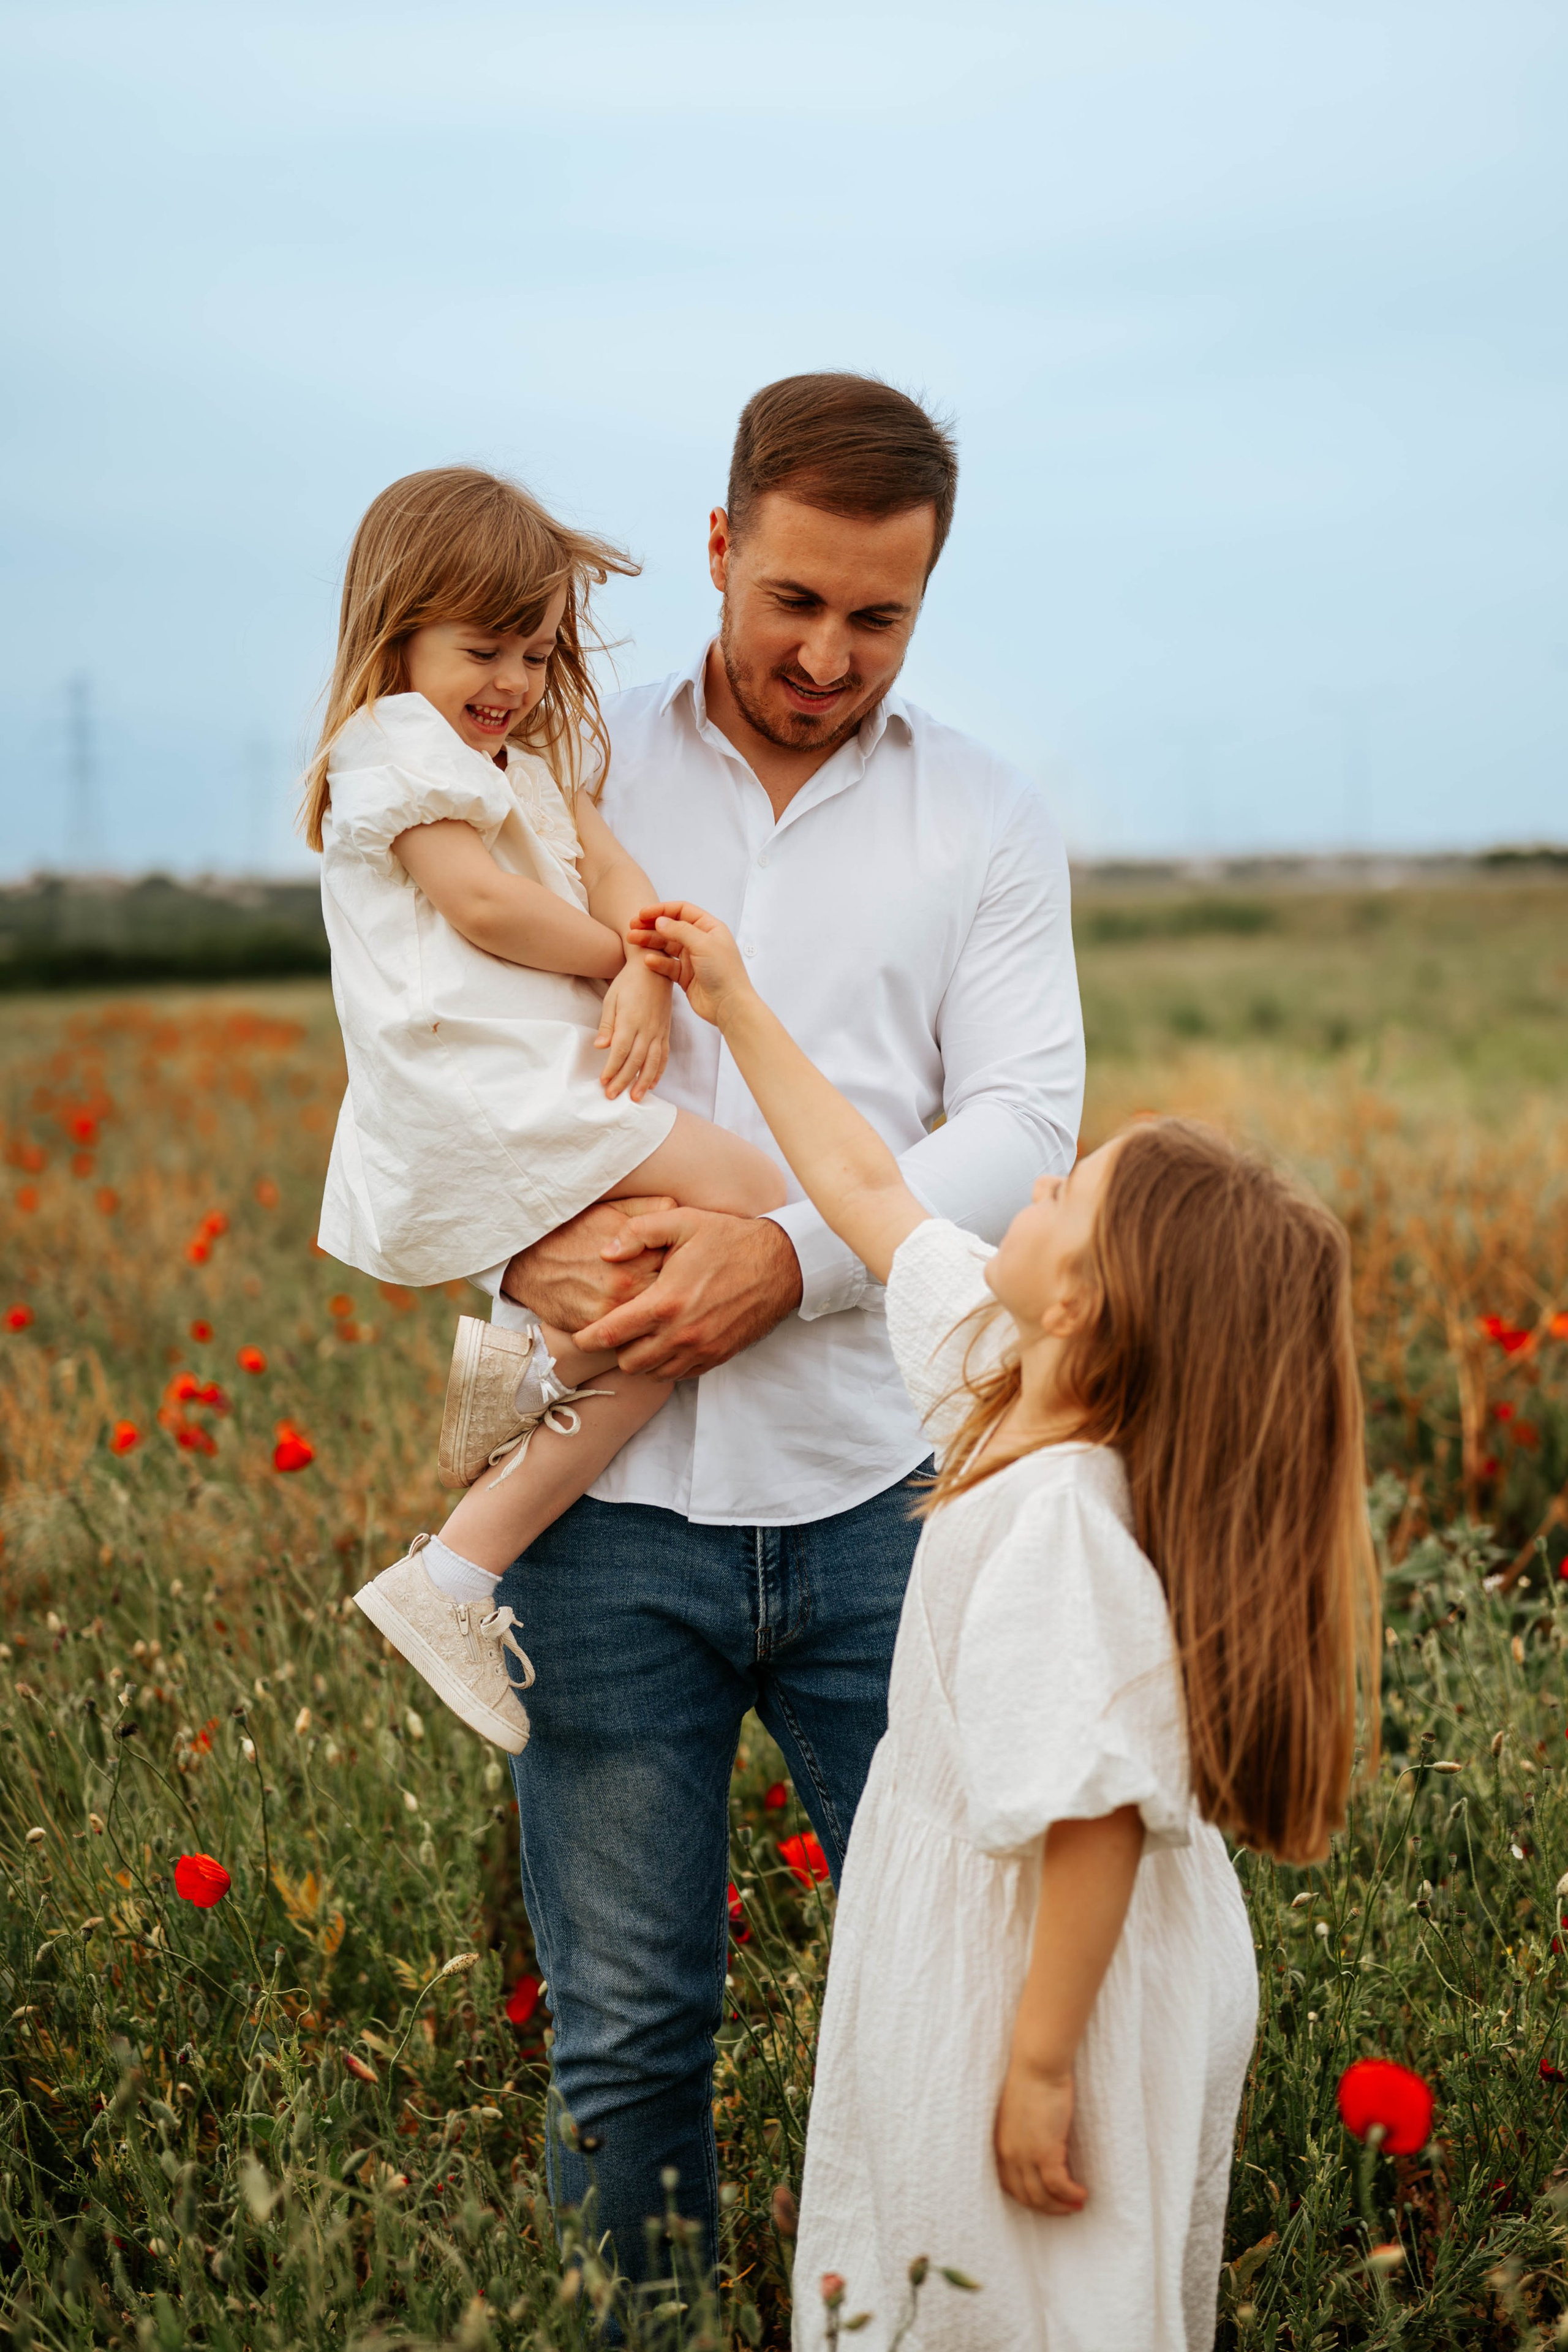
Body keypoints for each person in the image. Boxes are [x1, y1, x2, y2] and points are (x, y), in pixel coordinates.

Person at [489, 374, 1085, 2279]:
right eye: (795, 600)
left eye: (880, 617)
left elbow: (1022, 1125)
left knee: (968, 2001)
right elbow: (431, 1079)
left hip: (895, 1497)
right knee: (628, 2039)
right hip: (592, 1515)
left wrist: (800, 1264)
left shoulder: (986, 817)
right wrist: (512, 1268)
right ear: (726, 547)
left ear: (930, 598)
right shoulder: (562, 779)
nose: (828, 653)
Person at [641, 897, 1379, 2352]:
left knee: (1017, 2293)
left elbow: (1093, 1816)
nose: (1027, 1189)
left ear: (1092, 1309)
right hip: (1028, 1943)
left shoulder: (1058, 1521)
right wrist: (730, 1001)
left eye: (1061, 1198)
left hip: (1049, 1973)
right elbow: (863, 1184)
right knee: (993, 2286)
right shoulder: (1003, 1377)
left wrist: (1038, 2065)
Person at [304, 465, 786, 1750]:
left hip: (525, 1080)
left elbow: (618, 878)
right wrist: (609, 965)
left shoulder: (520, 760)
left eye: (532, 648)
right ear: (395, 628)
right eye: (481, 647)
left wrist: (641, 958)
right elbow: (481, 904)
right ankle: (466, 1536)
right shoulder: (395, 744)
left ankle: (514, 1430)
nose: (510, 678)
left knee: (687, 1285)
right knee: (754, 1216)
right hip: (475, 1082)